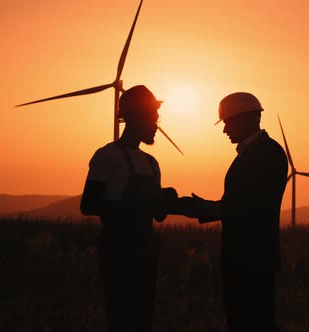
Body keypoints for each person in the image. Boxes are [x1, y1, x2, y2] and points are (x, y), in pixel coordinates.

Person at [171, 92, 288, 331]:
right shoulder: (257, 153)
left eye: (227, 122)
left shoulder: (268, 153)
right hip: (245, 257)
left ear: (248, 119)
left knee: (254, 322)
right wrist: (202, 206)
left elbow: (247, 207)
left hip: (253, 257)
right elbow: (239, 202)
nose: (225, 130)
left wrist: (196, 208)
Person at [80, 85, 177, 332]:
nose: (157, 122)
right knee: (121, 317)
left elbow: (157, 215)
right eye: (151, 116)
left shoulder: (152, 163)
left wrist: (165, 200)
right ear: (132, 117)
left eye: (157, 116)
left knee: (144, 316)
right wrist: (135, 205)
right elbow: (88, 204)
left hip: (147, 248)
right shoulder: (107, 156)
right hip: (118, 249)